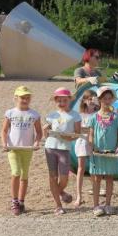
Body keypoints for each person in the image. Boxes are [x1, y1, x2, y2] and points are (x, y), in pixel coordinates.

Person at [1, 86, 42, 215]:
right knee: (16, 172)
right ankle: (14, 201)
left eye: (27, 97)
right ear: (16, 98)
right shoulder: (10, 113)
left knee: (24, 175)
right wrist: (4, 143)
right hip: (13, 149)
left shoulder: (34, 114)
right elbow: (4, 131)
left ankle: (21, 201)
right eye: (22, 97)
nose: (25, 100)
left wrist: (36, 142)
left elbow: (39, 132)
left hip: (27, 149)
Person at [85, 86, 118, 216]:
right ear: (100, 99)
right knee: (96, 178)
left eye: (109, 98)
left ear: (112, 100)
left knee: (109, 178)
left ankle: (108, 204)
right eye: (104, 98)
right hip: (97, 153)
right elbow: (90, 134)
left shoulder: (116, 117)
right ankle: (96, 205)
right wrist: (92, 145)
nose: (107, 101)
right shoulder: (94, 117)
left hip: (110, 153)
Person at [42, 87, 81, 215]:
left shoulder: (75, 115)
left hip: (64, 149)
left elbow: (77, 133)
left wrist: (69, 138)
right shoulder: (51, 115)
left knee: (64, 177)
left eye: (64, 100)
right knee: (53, 176)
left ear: (69, 100)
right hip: (50, 147)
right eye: (59, 100)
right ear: (55, 101)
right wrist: (45, 130)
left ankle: (59, 191)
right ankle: (58, 205)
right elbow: (46, 135)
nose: (62, 103)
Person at [74, 89, 97, 207]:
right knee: (80, 169)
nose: (91, 101)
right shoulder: (79, 115)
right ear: (84, 101)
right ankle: (79, 196)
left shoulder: (98, 115)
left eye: (94, 99)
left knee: (94, 170)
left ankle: (95, 193)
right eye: (89, 99)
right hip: (82, 143)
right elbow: (76, 130)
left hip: (94, 144)